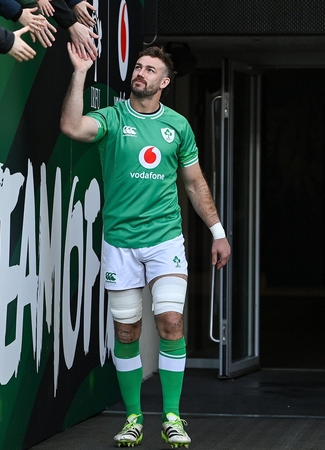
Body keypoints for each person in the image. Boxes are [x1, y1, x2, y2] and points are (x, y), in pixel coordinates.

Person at [60, 44, 231, 448]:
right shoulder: (114, 118)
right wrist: (80, 72)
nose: (140, 73)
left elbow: (193, 182)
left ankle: (172, 415)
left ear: (164, 82)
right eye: (137, 67)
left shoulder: (178, 126)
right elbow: (71, 127)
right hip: (120, 243)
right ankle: (133, 417)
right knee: (126, 331)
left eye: (150, 69)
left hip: (165, 239)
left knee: (171, 323)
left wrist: (218, 231)